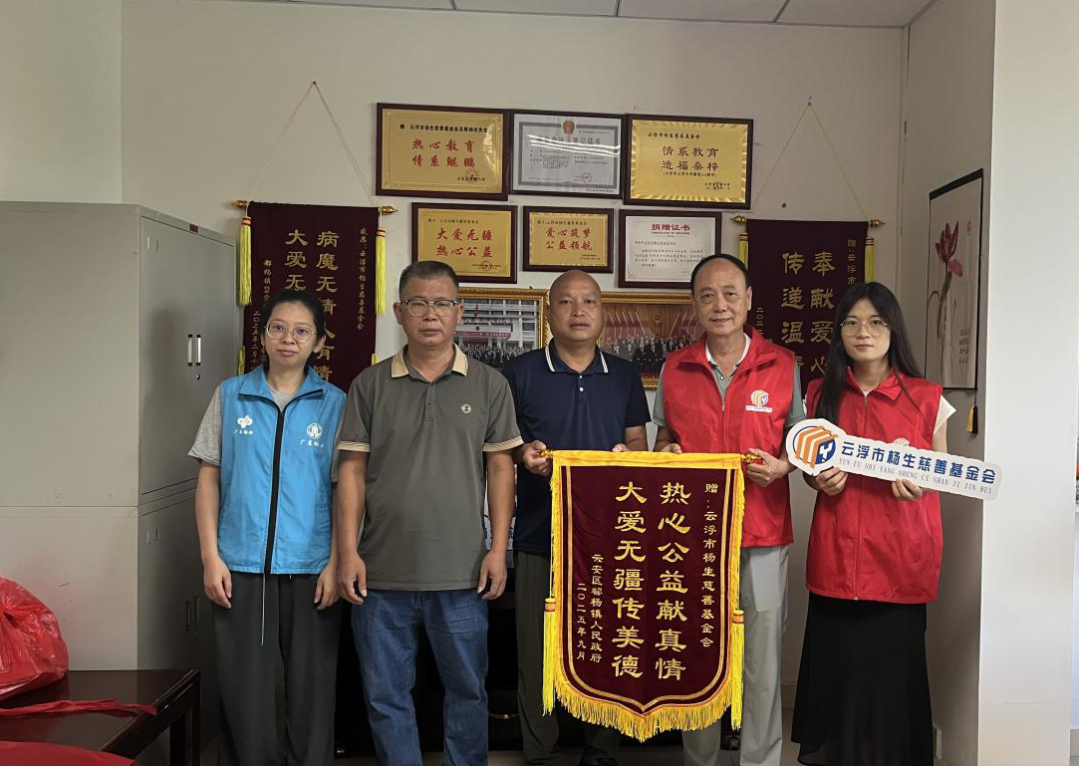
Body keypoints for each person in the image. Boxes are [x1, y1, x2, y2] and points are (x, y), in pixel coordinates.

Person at [334, 261, 522, 766]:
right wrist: (347, 552)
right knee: (385, 696)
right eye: (418, 303)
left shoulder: (489, 384)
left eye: (442, 303)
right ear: (399, 312)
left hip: (462, 572)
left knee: (468, 690)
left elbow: (501, 469)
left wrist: (497, 551)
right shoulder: (369, 384)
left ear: (459, 311)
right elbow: (351, 471)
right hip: (380, 573)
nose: (430, 314)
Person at [791, 282, 952, 766]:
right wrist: (819, 481)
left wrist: (920, 484)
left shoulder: (927, 398)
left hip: (899, 561)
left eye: (876, 322)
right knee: (838, 683)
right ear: (839, 331)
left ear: (893, 329)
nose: (864, 332)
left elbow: (940, 473)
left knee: (890, 688)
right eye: (852, 322)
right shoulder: (818, 394)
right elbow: (807, 468)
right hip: (837, 559)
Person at [652, 254, 803, 766]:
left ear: (749, 299)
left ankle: (760, 760)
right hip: (691, 538)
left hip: (762, 533)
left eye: (730, 293)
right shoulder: (675, 368)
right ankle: (700, 760)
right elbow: (664, 437)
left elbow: (801, 445)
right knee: (696, 658)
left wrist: (782, 468)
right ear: (695, 305)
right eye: (708, 295)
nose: (720, 305)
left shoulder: (783, 365)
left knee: (761, 663)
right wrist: (667, 451)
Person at [190, 289, 346, 766]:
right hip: (240, 567)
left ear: (318, 342)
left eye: (301, 331)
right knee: (244, 695)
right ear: (261, 335)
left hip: (312, 568)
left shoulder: (335, 404)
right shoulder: (230, 395)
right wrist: (211, 557)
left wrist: (337, 563)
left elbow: (345, 490)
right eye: (277, 328)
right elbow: (209, 476)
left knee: (312, 696)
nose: (288, 339)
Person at [502, 270, 651, 766]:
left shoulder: (624, 374)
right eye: (566, 301)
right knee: (536, 650)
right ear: (550, 313)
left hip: (612, 539)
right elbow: (504, 445)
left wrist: (627, 457)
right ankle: (540, 751)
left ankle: (601, 749)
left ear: (603, 311)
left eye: (589, 300)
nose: (579, 310)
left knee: (605, 644)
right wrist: (525, 453)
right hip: (539, 533)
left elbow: (637, 443)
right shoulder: (520, 372)